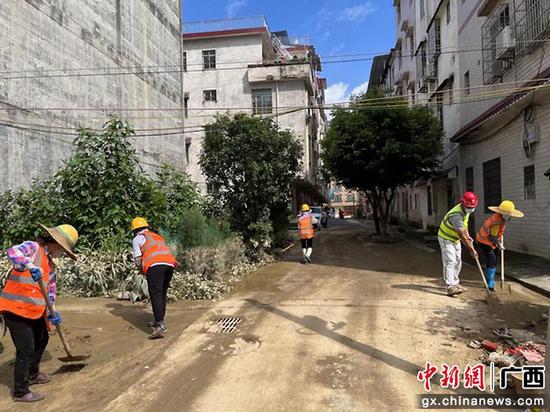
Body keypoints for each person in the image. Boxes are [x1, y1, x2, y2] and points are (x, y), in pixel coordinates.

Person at [0, 224, 78, 403]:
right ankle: (20, 391)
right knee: (26, 348)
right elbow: (12, 252)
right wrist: (27, 264)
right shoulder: (33, 248)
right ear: (56, 244)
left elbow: (49, 291)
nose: (63, 254)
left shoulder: (50, 265)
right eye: (63, 250)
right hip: (15, 308)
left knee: (43, 338)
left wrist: (53, 311)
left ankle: (33, 373)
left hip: (34, 311)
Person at [131, 217, 176, 339]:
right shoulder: (157, 236)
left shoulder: (137, 239)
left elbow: (138, 259)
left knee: (155, 294)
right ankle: (158, 320)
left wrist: (141, 270)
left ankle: (161, 326)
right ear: (146, 227)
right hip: (169, 265)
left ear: (135, 230)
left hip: (155, 266)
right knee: (162, 293)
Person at [476, 200, 524, 291]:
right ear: (504, 214)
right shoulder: (496, 221)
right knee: (492, 259)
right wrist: (499, 244)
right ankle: (490, 282)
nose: (510, 217)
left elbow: (496, 234)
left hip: (490, 240)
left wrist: (499, 239)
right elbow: (492, 237)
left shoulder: (500, 218)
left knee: (494, 259)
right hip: (484, 241)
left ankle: (488, 277)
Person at [437, 192, 479, 296]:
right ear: (463, 204)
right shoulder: (456, 215)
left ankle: (455, 283)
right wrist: (472, 250)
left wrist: (469, 236)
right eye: (469, 206)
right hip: (446, 238)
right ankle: (449, 286)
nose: (471, 208)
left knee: (458, 261)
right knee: (450, 261)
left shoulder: (466, 211)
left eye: (473, 206)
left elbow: (465, 226)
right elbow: (462, 235)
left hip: (455, 239)